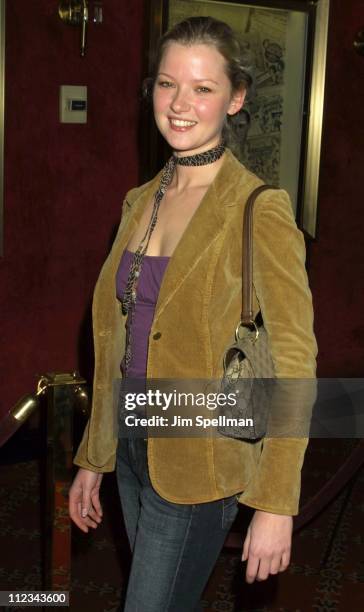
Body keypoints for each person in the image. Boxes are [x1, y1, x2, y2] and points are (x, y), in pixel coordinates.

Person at [69, 16, 318, 611]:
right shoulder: (141, 201)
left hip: (200, 457)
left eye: (203, 88)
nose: (179, 104)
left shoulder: (260, 208)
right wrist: (93, 458)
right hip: (133, 443)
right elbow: (118, 341)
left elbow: (294, 361)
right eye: (166, 83)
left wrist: (277, 502)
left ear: (235, 99)